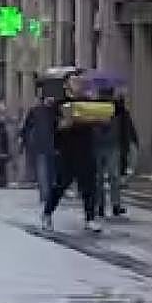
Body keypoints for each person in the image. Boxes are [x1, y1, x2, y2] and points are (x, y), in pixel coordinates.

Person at [41, 75, 101, 234]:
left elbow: (100, 121)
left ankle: (90, 218)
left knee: (89, 186)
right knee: (61, 185)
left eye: (81, 82)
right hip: (67, 151)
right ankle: (47, 213)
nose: (79, 84)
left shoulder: (87, 102)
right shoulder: (59, 104)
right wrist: (64, 124)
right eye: (75, 82)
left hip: (86, 149)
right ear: (67, 86)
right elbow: (54, 128)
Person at [96, 92, 139, 218]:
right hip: (104, 145)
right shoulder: (96, 107)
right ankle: (106, 205)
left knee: (109, 177)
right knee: (108, 177)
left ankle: (109, 205)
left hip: (110, 146)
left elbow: (126, 128)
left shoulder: (118, 109)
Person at [20, 94, 58, 205]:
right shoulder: (53, 112)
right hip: (47, 145)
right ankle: (47, 195)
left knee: (45, 171)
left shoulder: (37, 111)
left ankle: (46, 195)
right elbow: (27, 128)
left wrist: (24, 140)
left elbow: (26, 128)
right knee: (47, 170)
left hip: (43, 145)